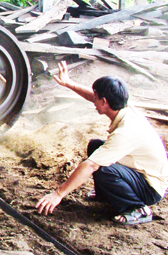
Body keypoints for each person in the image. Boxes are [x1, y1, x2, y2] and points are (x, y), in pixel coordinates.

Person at [36, 61, 168, 225]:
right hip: (139, 172)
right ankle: (106, 194)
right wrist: (70, 84)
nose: (94, 100)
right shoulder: (123, 107)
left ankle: (137, 208)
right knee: (95, 146)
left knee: (103, 169)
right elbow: (92, 97)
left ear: (104, 102)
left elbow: (90, 165)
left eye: (96, 97)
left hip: (150, 188)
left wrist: (58, 194)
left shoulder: (126, 132)